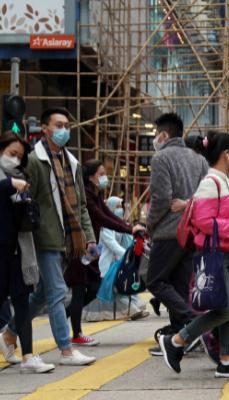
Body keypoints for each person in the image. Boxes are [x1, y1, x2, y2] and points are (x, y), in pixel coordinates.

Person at [158, 132, 229, 377]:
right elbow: (203, 221)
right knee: (225, 309)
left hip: (226, 251)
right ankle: (177, 341)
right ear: (226, 154)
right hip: (214, 252)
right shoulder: (210, 182)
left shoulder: (223, 180)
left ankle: (226, 359)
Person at [3, 109, 96, 366]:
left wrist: (88, 236)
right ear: (44, 128)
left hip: (68, 238)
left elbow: (81, 205)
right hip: (43, 237)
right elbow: (23, 196)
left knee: (44, 294)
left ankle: (9, 333)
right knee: (57, 291)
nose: (63, 130)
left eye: (67, 125)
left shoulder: (73, 163)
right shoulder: (34, 160)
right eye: (58, 125)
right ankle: (65, 349)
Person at [146, 113, 209, 356]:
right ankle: (177, 336)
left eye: (155, 134)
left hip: (169, 231)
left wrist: (150, 225)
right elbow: (204, 196)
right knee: (180, 285)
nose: (154, 139)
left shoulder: (161, 158)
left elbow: (161, 199)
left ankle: (192, 323)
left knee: (155, 280)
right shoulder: (199, 159)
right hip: (192, 231)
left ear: (163, 134)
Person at [63, 160, 145, 345]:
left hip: (93, 247)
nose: (104, 177)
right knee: (78, 289)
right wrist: (128, 229)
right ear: (91, 177)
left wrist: (129, 227)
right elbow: (102, 218)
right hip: (80, 245)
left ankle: (64, 316)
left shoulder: (96, 195)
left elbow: (108, 214)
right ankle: (76, 334)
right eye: (101, 174)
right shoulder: (86, 195)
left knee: (95, 286)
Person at [0, 133, 55, 373]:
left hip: (17, 252)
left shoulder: (20, 179)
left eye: (19, 157)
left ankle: (29, 356)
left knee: (22, 302)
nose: (15, 160)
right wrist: (10, 185)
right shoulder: (8, 182)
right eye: (12, 154)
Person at [83, 196, 148, 322]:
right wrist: (128, 255)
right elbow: (113, 246)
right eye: (117, 207)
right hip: (106, 265)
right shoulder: (105, 228)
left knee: (117, 290)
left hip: (115, 264)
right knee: (112, 290)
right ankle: (131, 311)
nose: (120, 209)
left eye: (121, 206)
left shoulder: (118, 226)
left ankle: (130, 310)